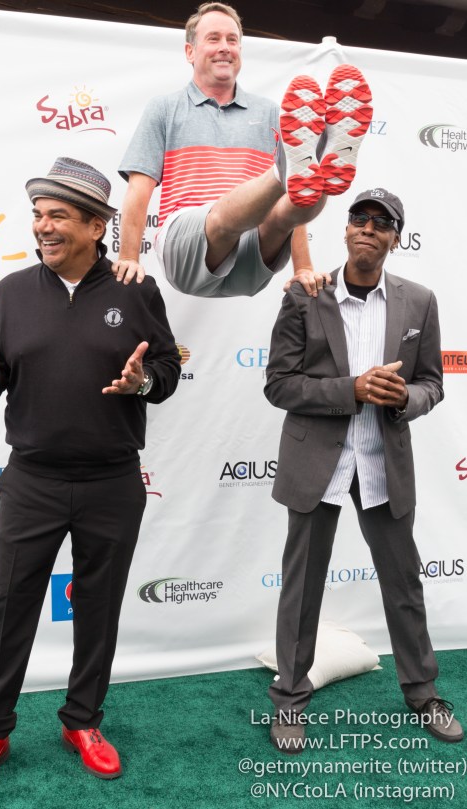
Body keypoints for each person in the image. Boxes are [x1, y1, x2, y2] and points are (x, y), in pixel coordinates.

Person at [0, 157, 181, 799]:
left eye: (57, 216)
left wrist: (146, 380)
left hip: (112, 479)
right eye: (38, 215)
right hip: (33, 480)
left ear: (98, 225)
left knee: (98, 606)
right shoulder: (13, 291)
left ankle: (83, 721)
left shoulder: (137, 290)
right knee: (9, 606)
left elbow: (166, 369)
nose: (42, 227)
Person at [264, 187, 463, 753]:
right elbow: (278, 384)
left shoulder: (418, 301)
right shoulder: (307, 295)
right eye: (359, 218)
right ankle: (290, 698)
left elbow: (433, 384)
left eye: (382, 222)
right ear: (345, 229)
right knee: (302, 586)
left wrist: (403, 399)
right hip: (317, 461)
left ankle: (423, 692)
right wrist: (350, 390)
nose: (368, 228)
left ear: (395, 238)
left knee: (403, 581)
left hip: (383, 460)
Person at [114, 2, 372, 298]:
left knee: (288, 207)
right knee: (222, 217)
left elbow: (300, 197)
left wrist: (303, 268)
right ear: (190, 52)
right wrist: (129, 257)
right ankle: (287, 168)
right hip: (184, 250)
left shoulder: (270, 113)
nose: (225, 47)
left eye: (232, 40)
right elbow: (139, 189)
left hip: (252, 261)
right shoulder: (165, 108)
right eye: (213, 39)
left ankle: (313, 165)